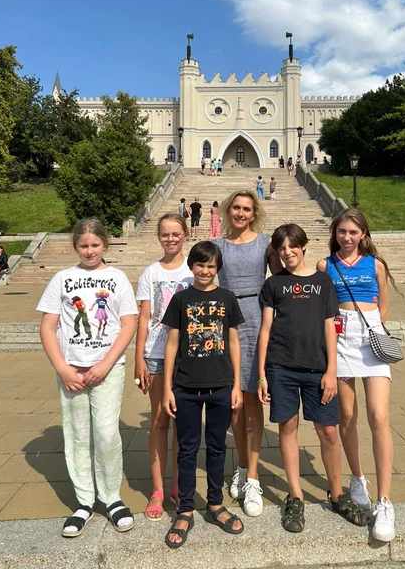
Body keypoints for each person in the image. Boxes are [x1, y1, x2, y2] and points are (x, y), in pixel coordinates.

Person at [257, 224, 370, 533]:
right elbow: (266, 329)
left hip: (318, 368)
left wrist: (332, 370)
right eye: (282, 248)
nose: (287, 252)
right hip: (281, 366)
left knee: (328, 431)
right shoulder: (273, 284)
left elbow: (330, 326)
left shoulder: (323, 281)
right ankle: (295, 496)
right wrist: (262, 375)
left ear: (304, 246)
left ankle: (336, 493)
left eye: (292, 246)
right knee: (288, 426)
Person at [37, 218, 138, 537]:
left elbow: (129, 324)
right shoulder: (62, 278)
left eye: (95, 245)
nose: (90, 251)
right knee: (78, 435)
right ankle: (84, 501)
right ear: (75, 247)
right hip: (72, 370)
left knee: (106, 433)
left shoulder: (117, 278)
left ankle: (112, 498)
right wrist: (62, 368)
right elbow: (47, 328)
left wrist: (106, 364)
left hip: (107, 369)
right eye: (83, 246)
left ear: (105, 244)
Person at [317, 208, 398, 543]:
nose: (347, 237)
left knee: (378, 416)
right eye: (342, 232)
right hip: (340, 340)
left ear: (363, 234)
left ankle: (385, 501)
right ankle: (357, 478)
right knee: (347, 415)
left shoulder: (376, 264)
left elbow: (384, 305)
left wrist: (372, 329)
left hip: (370, 338)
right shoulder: (325, 266)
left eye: (353, 232)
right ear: (335, 234)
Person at [161, 242, 244, 548]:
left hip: (221, 385)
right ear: (191, 266)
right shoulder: (181, 299)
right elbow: (172, 344)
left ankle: (214, 503)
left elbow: (233, 342)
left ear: (218, 268)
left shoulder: (227, 298)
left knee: (217, 446)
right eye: (200, 265)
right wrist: (167, 388)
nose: (205, 271)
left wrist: (237, 385)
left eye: (211, 266)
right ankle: (185, 508)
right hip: (185, 387)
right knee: (186, 449)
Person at [213, 190, 281, 517]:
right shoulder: (217, 245)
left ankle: (253, 476)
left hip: (257, 317)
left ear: (254, 214)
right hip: (227, 320)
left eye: (247, 209)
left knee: (253, 399)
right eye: (236, 208)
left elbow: (282, 278)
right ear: (229, 211)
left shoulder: (265, 243)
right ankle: (241, 465)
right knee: (235, 402)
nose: (241, 213)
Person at [135, 213, 193, 521]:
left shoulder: (193, 270)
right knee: (159, 420)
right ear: (158, 237)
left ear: (186, 235)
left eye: (175, 234)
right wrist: (138, 358)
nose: (170, 239)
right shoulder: (151, 272)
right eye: (165, 234)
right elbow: (144, 317)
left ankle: (178, 486)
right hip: (156, 354)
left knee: (182, 423)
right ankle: (158, 489)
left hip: (188, 356)